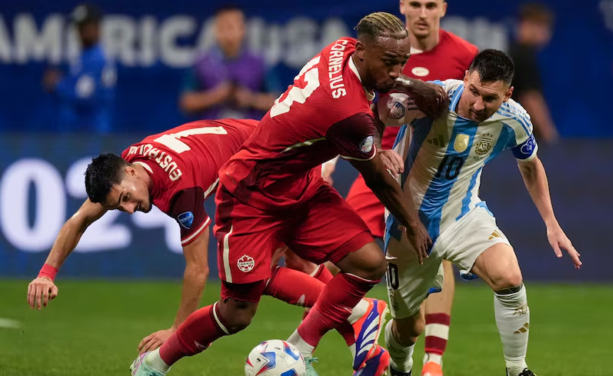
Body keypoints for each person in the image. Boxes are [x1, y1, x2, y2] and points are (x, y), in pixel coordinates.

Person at [130, 12, 448, 376]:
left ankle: (299, 348)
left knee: (368, 264)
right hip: (251, 197)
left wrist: (410, 85)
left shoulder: (341, 48)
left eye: (403, 62)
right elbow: (377, 177)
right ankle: (154, 364)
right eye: (389, 62)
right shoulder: (344, 110)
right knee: (237, 313)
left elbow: (379, 86)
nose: (396, 71)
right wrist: (412, 224)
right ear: (362, 51)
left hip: (302, 188)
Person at [26, 119, 386, 369]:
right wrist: (46, 273)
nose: (131, 209)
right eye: (120, 205)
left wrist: (176, 331)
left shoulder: (180, 189)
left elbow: (198, 270)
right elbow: (79, 220)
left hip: (270, 167)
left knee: (251, 279)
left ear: (132, 173)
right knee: (292, 265)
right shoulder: (128, 166)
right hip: (264, 150)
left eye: (126, 198)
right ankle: (362, 335)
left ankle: (358, 314)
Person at [376, 49, 582, 376]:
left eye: (489, 98)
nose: (477, 105)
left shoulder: (515, 119)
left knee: (509, 276)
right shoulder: (433, 99)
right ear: (465, 78)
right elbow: (379, 110)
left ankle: (517, 370)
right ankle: (398, 368)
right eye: (473, 91)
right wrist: (379, 146)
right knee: (408, 329)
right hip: (407, 225)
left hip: (463, 217)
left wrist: (551, 223)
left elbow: (530, 167)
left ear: (507, 95)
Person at [322, 2, 478, 374]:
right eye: (415, 4)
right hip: (378, 167)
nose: (422, 12)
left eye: (430, 4)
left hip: (430, 176)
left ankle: (433, 362)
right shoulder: (379, 49)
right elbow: (349, 104)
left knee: (435, 251)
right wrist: (329, 161)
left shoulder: (465, 56)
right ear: (403, 6)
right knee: (331, 253)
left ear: (442, 7)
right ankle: (363, 321)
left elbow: (480, 115)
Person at [179, 5, 275, 120]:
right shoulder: (201, 63)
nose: (228, 34)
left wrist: (250, 99)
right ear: (215, 30)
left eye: (232, 27)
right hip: (212, 131)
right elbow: (186, 102)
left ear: (243, 29)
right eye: (223, 28)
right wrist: (216, 96)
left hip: (250, 131)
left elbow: (275, 101)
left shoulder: (259, 62)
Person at [43, 3, 116, 133]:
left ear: (97, 27)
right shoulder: (84, 57)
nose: (82, 32)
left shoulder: (98, 58)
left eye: (86, 26)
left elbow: (85, 97)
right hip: (78, 134)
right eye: (79, 27)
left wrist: (57, 84)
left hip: (92, 134)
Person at [508, 2, 559, 144]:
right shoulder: (523, 57)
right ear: (529, 25)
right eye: (544, 28)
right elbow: (531, 98)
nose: (547, 35)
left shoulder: (511, 52)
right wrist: (549, 134)